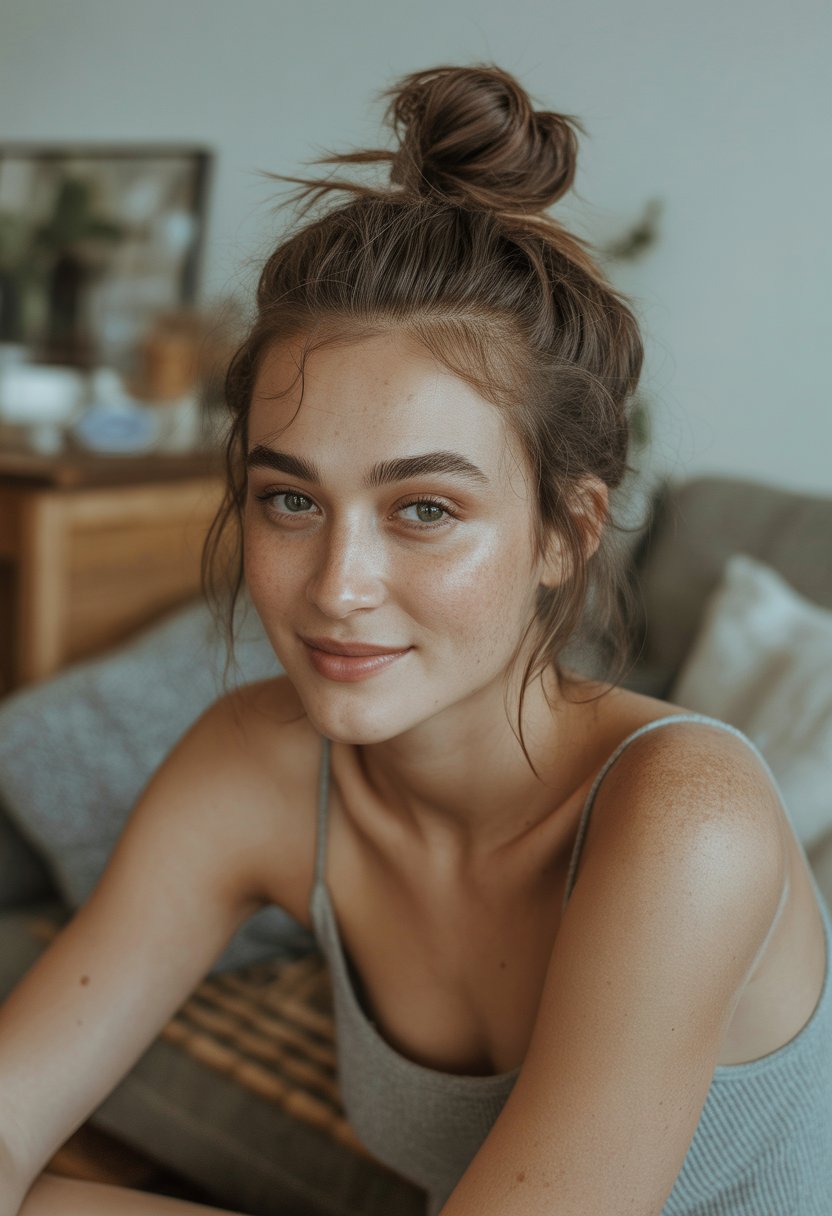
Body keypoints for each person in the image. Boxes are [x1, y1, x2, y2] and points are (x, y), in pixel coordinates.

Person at [1, 61, 830, 1216]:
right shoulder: (258, 763)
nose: (338, 588)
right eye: (290, 499)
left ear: (563, 533)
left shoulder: (684, 815)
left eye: (424, 510)